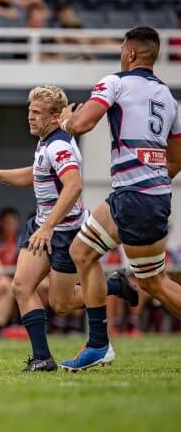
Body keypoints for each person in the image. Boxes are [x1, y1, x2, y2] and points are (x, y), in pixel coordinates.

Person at [0, 85, 138, 372]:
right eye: (29, 111)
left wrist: (49, 227)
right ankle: (42, 358)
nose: (30, 117)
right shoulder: (46, 141)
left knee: (61, 304)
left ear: (54, 117)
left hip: (64, 233)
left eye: (36, 113)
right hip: (41, 225)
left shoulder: (59, 146)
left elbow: (74, 186)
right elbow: (36, 173)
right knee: (21, 286)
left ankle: (114, 284)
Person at [58, 26, 181, 371]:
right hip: (134, 195)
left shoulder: (115, 82)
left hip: (136, 197)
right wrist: (152, 181)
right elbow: (177, 158)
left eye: (122, 48)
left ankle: (98, 345)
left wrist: (67, 120)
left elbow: (82, 123)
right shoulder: (169, 98)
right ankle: (98, 346)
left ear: (130, 53)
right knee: (81, 252)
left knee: (153, 283)